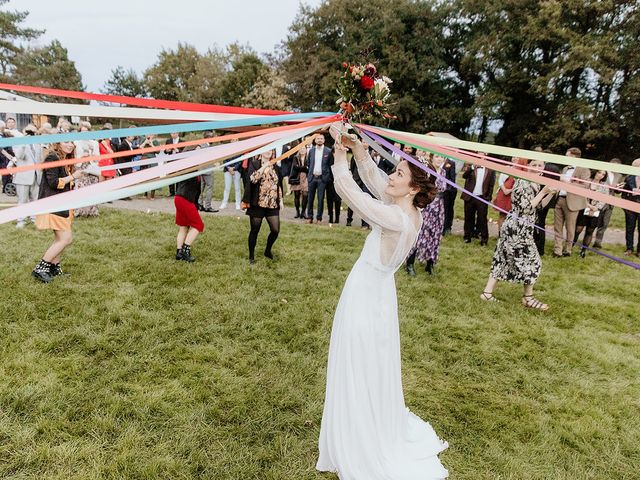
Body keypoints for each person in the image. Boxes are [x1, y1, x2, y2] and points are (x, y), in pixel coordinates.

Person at [316, 124, 448, 479]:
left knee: (357, 361)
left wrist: (339, 153)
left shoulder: (393, 218)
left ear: (414, 187)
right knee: (371, 362)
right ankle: (368, 419)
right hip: (380, 296)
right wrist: (358, 147)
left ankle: (359, 433)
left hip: (365, 293)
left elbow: (349, 191)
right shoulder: (409, 212)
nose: (393, 175)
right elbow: (375, 179)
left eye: (400, 173)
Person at [480, 160, 556, 310]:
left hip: (521, 227)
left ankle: (487, 293)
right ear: (528, 167)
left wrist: (551, 194)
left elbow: (538, 206)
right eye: (533, 165)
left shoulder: (535, 183)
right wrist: (543, 192)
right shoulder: (523, 182)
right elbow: (525, 209)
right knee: (533, 261)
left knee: (502, 258)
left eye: (540, 165)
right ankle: (528, 298)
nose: (536, 168)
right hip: (516, 228)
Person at [31, 142, 86, 283]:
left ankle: (54, 268)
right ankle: (41, 268)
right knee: (66, 238)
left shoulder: (64, 159)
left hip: (61, 204)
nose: (70, 145)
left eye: (72, 143)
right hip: (53, 204)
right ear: (58, 142)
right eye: (66, 142)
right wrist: (73, 177)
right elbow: (53, 183)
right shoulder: (52, 158)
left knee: (59, 239)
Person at [405, 153, 446, 276]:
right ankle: (410, 263)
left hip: (439, 209)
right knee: (420, 235)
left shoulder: (443, 173)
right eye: (437, 157)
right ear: (432, 158)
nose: (440, 159)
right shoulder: (427, 171)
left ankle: (430, 264)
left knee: (435, 236)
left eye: (442, 157)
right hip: (427, 207)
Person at [243, 150, 282, 264]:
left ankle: (267, 251)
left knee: (275, 230)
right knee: (255, 230)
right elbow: (252, 179)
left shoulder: (275, 165)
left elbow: (278, 183)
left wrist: (281, 200)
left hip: (272, 204)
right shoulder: (255, 164)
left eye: (271, 150)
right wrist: (264, 165)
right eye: (267, 149)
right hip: (257, 204)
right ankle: (251, 257)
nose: (269, 152)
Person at [552, 147, 590, 257]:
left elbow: (585, 185)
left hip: (573, 202)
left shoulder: (584, 169)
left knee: (570, 227)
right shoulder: (564, 169)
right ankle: (557, 250)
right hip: (560, 199)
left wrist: (568, 182)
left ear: (573, 156)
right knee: (557, 227)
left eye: (567, 155)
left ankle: (568, 249)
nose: (565, 157)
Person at [174, 147, 204, 262]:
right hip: (184, 199)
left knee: (184, 226)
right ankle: (185, 251)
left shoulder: (192, 167)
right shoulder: (188, 167)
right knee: (198, 225)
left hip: (180, 198)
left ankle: (179, 252)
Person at [10, 123, 42, 228]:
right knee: (22, 200)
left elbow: (39, 159)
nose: (30, 133)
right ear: (24, 131)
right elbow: (19, 156)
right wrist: (24, 142)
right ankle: (21, 220)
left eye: (32, 131)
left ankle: (34, 218)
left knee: (35, 199)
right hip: (23, 176)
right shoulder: (18, 142)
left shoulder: (37, 143)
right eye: (29, 131)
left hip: (36, 176)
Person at [461, 157, 496, 245]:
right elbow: (464, 176)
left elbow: (491, 185)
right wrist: (472, 167)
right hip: (470, 196)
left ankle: (484, 239)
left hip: (482, 198)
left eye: (482, 157)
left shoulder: (490, 170)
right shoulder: (471, 167)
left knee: (482, 219)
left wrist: (488, 197)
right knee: (468, 217)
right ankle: (467, 236)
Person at [574, 170, 608, 257]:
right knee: (578, 229)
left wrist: (597, 207)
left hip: (596, 210)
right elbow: (581, 194)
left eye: (603, 174)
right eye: (599, 173)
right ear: (595, 172)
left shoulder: (604, 186)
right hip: (584, 207)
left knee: (590, 230)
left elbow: (604, 198)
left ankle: (583, 250)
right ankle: (571, 245)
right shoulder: (587, 181)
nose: (601, 175)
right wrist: (587, 205)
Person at [593, 158, 623, 249]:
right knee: (594, 221)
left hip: (610, 202)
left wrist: (619, 188)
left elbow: (617, 191)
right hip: (599, 200)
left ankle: (598, 242)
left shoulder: (619, 176)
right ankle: (588, 236)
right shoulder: (603, 172)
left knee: (604, 223)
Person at [306, 134, 333, 223]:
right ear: (315, 140)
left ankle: (319, 218)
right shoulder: (311, 151)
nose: (319, 140)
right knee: (310, 199)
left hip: (322, 179)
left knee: (320, 199)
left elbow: (330, 165)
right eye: (318, 139)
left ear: (324, 140)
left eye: (321, 139)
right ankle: (309, 217)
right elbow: (309, 163)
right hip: (312, 177)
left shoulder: (328, 151)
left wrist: (327, 176)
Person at [622, 158, 640, 256]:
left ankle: (639, 251)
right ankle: (629, 249)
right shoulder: (629, 178)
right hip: (630, 208)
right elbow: (624, 192)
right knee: (629, 228)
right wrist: (625, 206)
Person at [220, 138, 243, 210]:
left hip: (236, 170)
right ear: (231, 141)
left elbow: (240, 160)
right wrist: (229, 168)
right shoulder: (227, 149)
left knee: (237, 188)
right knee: (227, 188)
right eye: (233, 140)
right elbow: (225, 160)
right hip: (227, 170)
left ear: (238, 141)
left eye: (236, 140)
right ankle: (224, 203)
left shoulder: (240, 149)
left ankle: (238, 203)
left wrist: (234, 168)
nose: (234, 141)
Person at [138, 134, 160, 199]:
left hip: (153, 160)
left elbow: (158, 151)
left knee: (153, 177)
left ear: (153, 135)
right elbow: (139, 149)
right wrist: (145, 142)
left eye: (151, 134)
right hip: (144, 159)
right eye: (148, 134)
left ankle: (152, 195)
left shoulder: (156, 142)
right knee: (144, 177)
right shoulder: (143, 140)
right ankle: (145, 194)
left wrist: (151, 144)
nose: (149, 136)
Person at [288, 148, 309, 218]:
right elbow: (295, 167)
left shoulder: (308, 157)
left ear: (306, 150)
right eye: (301, 149)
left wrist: (301, 167)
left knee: (305, 195)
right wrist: (305, 168)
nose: (302, 150)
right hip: (297, 177)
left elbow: (309, 168)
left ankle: (303, 212)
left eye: (304, 149)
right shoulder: (295, 157)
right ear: (298, 150)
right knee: (296, 195)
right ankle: (297, 212)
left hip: (306, 178)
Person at [441, 156, 457, 235]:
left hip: (448, 191)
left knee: (447, 210)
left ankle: (446, 227)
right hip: (437, 190)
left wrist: (446, 189)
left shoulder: (451, 163)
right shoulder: (435, 160)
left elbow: (452, 178)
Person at [165, 132, 182, 196]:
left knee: (178, 175)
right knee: (171, 176)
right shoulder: (168, 141)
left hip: (178, 160)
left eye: (174, 133)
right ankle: (171, 192)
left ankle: (178, 191)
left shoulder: (182, 141)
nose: (173, 135)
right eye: (171, 133)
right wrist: (167, 150)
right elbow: (165, 151)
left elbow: (184, 151)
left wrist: (176, 149)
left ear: (177, 133)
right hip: (170, 160)